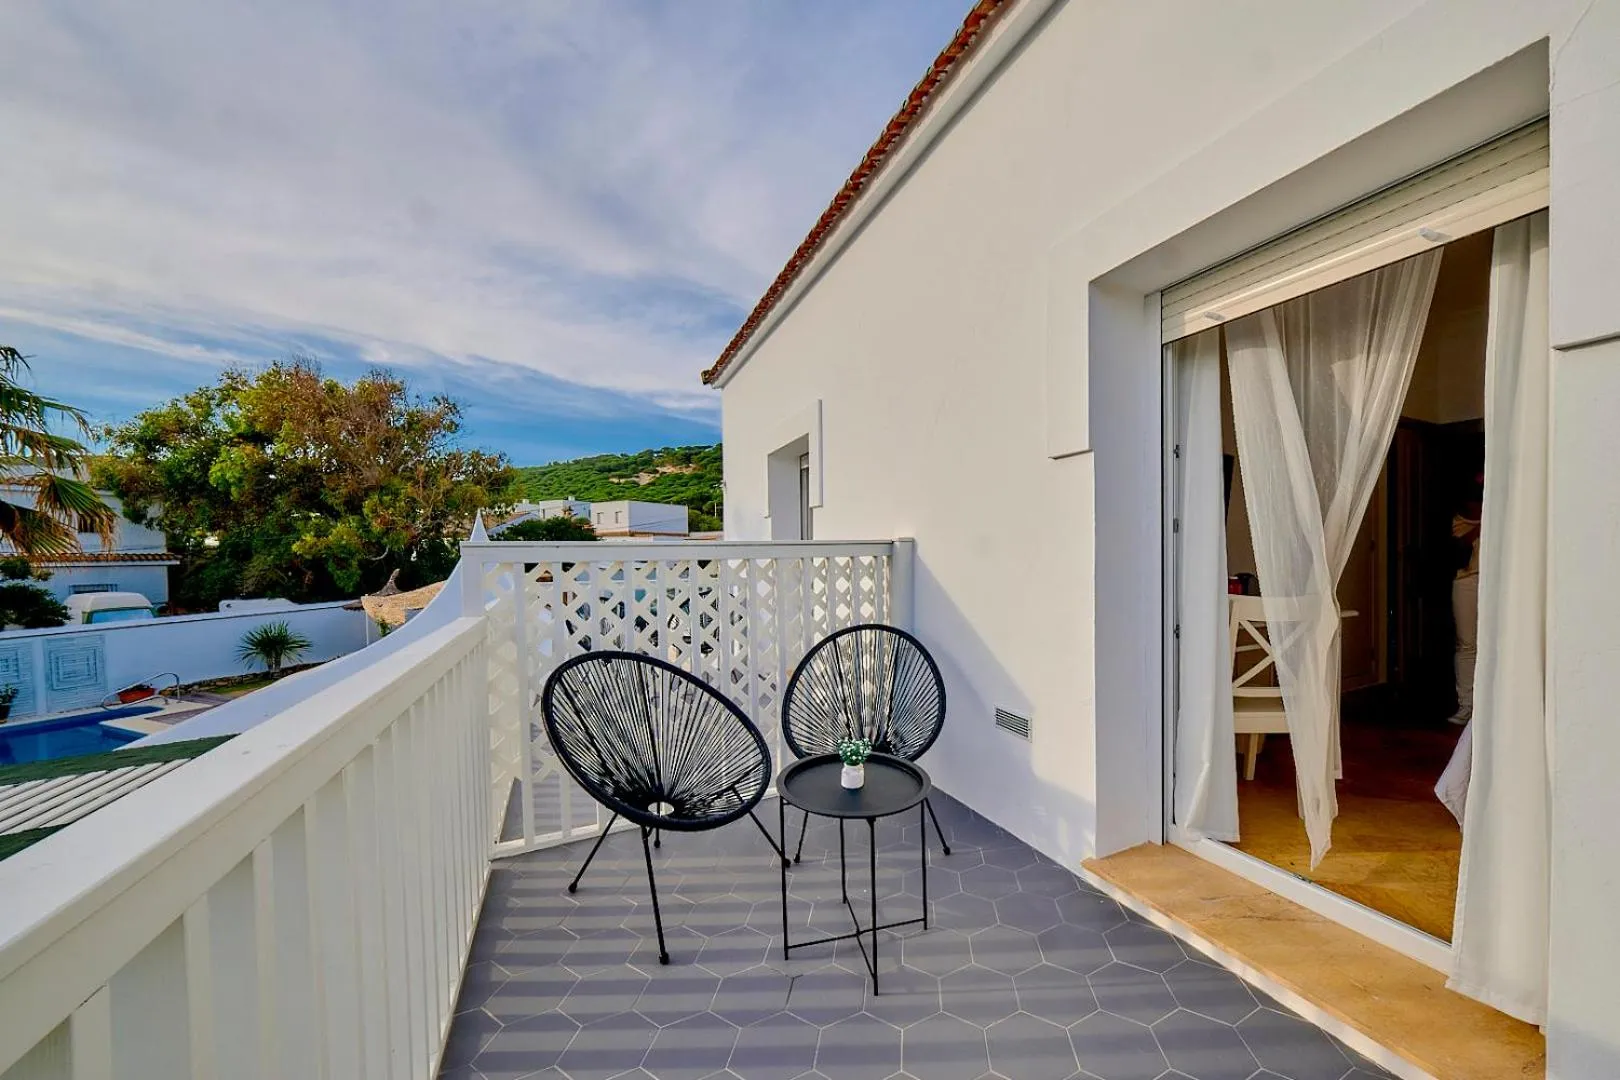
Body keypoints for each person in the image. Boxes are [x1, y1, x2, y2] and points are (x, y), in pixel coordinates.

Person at [1449, 470, 1484, 725]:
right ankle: (1467, 706)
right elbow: (1458, 556)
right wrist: (1481, 526)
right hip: (1466, 582)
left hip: (1493, 581)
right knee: (1467, 644)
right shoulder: (1457, 521)